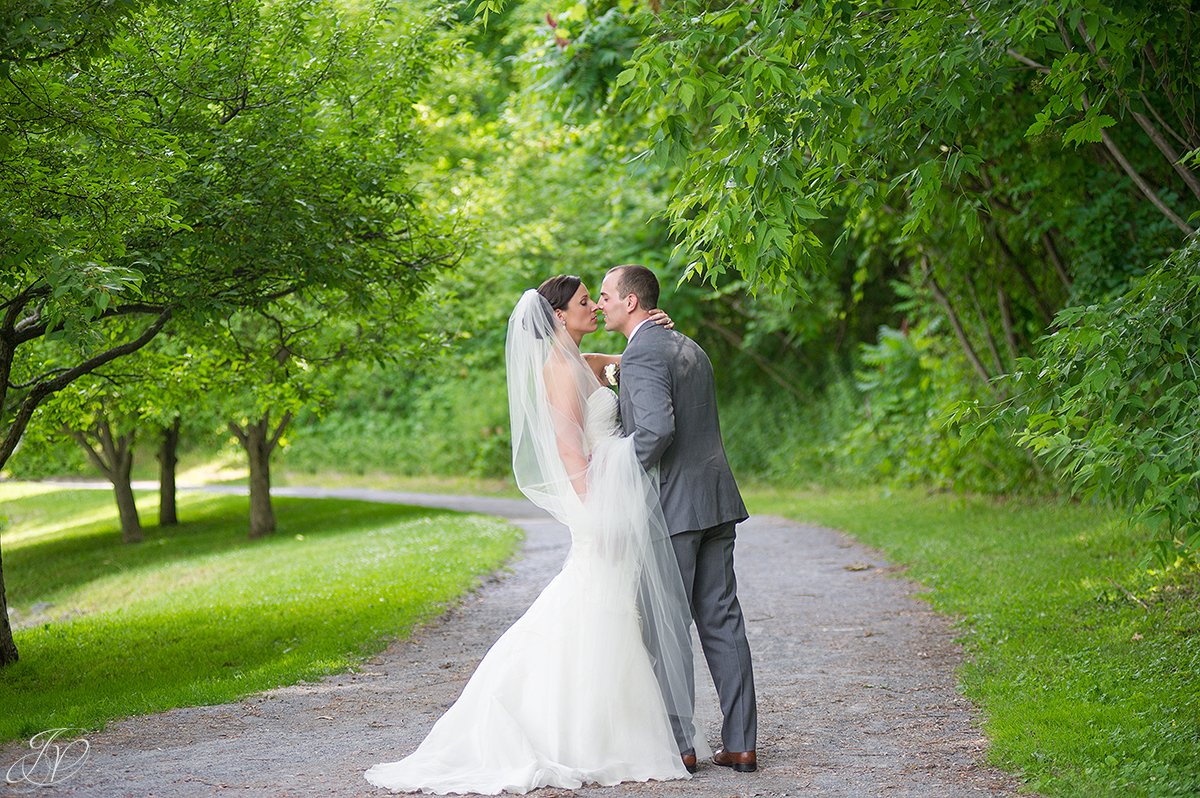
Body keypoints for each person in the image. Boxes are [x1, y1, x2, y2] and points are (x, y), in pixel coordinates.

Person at [365, 276, 703, 795]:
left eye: (596, 299)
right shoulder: (557, 373)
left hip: (621, 501)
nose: (594, 307)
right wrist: (601, 516)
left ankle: (614, 729)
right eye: (584, 302)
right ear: (559, 317)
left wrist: (652, 325)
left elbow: (632, 358)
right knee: (595, 610)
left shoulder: (587, 364)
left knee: (615, 615)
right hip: (600, 510)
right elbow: (571, 452)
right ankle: (575, 732)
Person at [597, 264, 758, 774]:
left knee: (668, 625)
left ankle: (680, 745)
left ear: (630, 302)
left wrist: (617, 471)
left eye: (604, 296)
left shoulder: (645, 353)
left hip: (673, 509)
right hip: (715, 501)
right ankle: (741, 744)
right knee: (723, 620)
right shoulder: (686, 345)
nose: (599, 303)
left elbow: (657, 430)